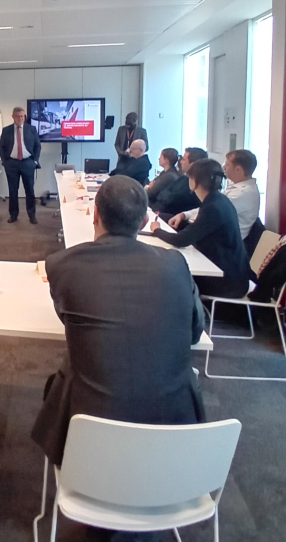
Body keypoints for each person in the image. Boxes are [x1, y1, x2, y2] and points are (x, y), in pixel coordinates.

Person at [31, 175, 205, 470]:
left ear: (95, 215)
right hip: (175, 439)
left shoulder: (61, 264)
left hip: (89, 441)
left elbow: (67, 320)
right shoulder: (175, 264)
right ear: (143, 221)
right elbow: (194, 332)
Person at [151, 159, 253, 298]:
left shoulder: (213, 207)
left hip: (227, 282)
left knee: (169, 278)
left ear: (194, 181)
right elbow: (198, 229)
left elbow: (181, 240)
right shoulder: (219, 200)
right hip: (232, 273)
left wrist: (157, 230)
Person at [178, 149, 260, 240]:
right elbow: (208, 207)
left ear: (238, 169)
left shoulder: (244, 194)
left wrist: (185, 216)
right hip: (215, 232)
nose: (224, 166)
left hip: (222, 242)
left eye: (227, 164)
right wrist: (184, 215)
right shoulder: (235, 185)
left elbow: (210, 211)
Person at [0, 106, 42, 224]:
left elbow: (38, 146)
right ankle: (13, 215)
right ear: (13, 117)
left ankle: (32, 215)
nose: (20, 119)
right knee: (13, 191)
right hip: (12, 164)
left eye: (22, 116)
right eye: (18, 116)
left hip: (28, 162)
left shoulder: (31, 129)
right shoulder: (6, 130)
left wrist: (34, 161)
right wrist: (5, 162)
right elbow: (1, 147)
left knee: (30, 191)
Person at [151, 147, 208, 214]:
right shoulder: (183, 178)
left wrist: (165, 196)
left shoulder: (194, 186)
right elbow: (162, 193)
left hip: (170, 218)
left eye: (183, 160)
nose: (180, 162)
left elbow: (171, 200)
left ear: (192, 164)